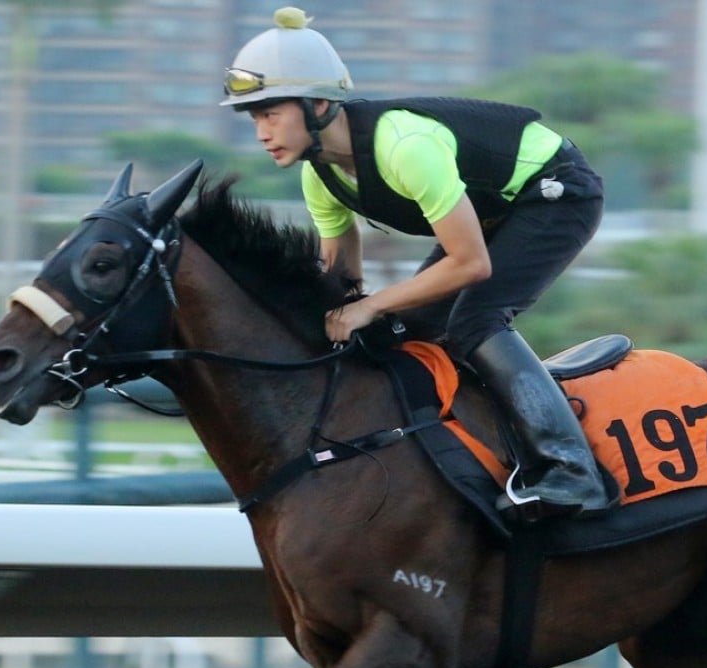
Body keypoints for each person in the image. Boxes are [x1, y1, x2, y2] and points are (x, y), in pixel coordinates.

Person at [221, 7, 611, 519]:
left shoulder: (403, 147)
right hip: (492, 212)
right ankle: (464, 454)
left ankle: (572, 471)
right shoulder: (320, 176)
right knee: (407, 328)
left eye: (271, 113)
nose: (261, 132)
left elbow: (471, 264)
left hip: (553, 194)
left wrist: (370, 307)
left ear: (318, 105)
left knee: (474, 320)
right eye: (254, 117)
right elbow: (341, 281)